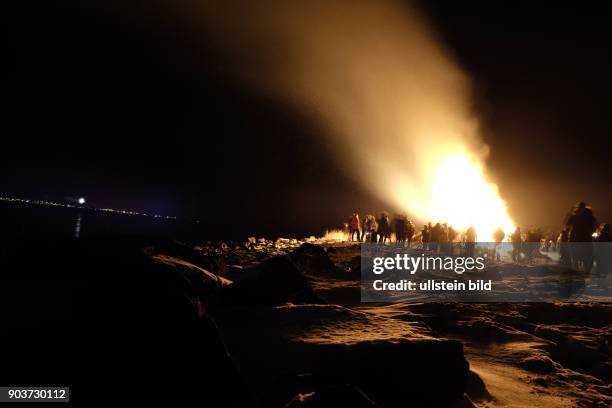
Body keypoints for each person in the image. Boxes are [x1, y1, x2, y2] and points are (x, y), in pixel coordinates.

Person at [565, 201, 598, 272]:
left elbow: (566, 223)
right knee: (586, 259)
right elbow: (595, 227)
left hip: (576, 240)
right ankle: (585, 274)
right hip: (584, 240)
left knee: (576, 260)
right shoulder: (590, 217)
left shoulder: (575, 216)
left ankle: (579, 275)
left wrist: (571, 211)